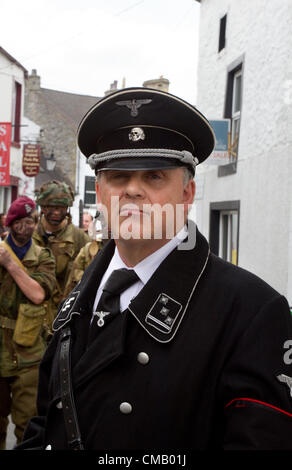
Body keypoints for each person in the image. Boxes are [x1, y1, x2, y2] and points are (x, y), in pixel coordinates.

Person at [18, 88, 292, 451]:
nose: (133, 190)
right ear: (100, 193)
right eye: (118, 177)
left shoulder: (253, 311)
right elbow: (46, 424)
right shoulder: (84, 291)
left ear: (188, 193)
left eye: (155, 177)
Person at [0, 196, 56, 449]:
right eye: (20, 221)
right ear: (10, 224)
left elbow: (38, 293)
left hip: (28, 348)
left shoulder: (43, 256)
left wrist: (10, 263)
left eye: (31, 220)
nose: (26, 226)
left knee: (27, 423)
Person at [33, 181, 90, 329]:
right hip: (32, 317)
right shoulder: (29, 235)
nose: (57, 212)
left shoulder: (79, 238)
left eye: (61, 208)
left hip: (63, 315)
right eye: (51, 208)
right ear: (43, 208)